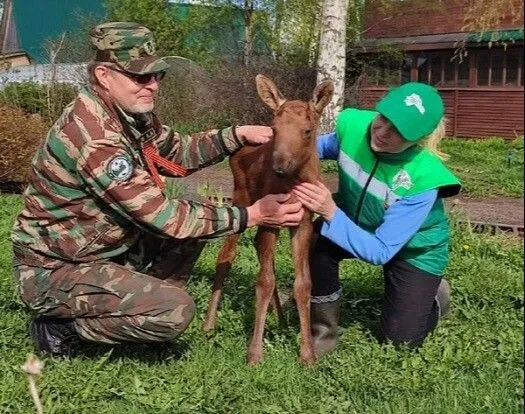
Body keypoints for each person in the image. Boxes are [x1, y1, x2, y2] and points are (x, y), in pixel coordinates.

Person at [11, 22, 304, 357]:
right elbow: (164, 218)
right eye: (140, 77)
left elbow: (178, 151)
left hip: (103, 247)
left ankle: (141, 305)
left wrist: (236, 134)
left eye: (157, 76)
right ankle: (61, 329)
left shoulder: (128, 115)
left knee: (197, 213)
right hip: (55, 269)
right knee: (174, 311)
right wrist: (252, 214)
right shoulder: (94, 137)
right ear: (104, 75)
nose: (152, 86)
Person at [293, 82, 461, 355]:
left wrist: (330, 211)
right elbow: (312, 147)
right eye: (383, 118)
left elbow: (381, 250)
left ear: (417, 139)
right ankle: (323, 331)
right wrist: (275, 139)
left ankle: (434, 295)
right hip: (357, 222)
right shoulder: (355, 127)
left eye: (398, 131)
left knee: (400, 343)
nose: (382, 132)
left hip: (413, 251)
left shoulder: (423, 178)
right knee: (316, 237)